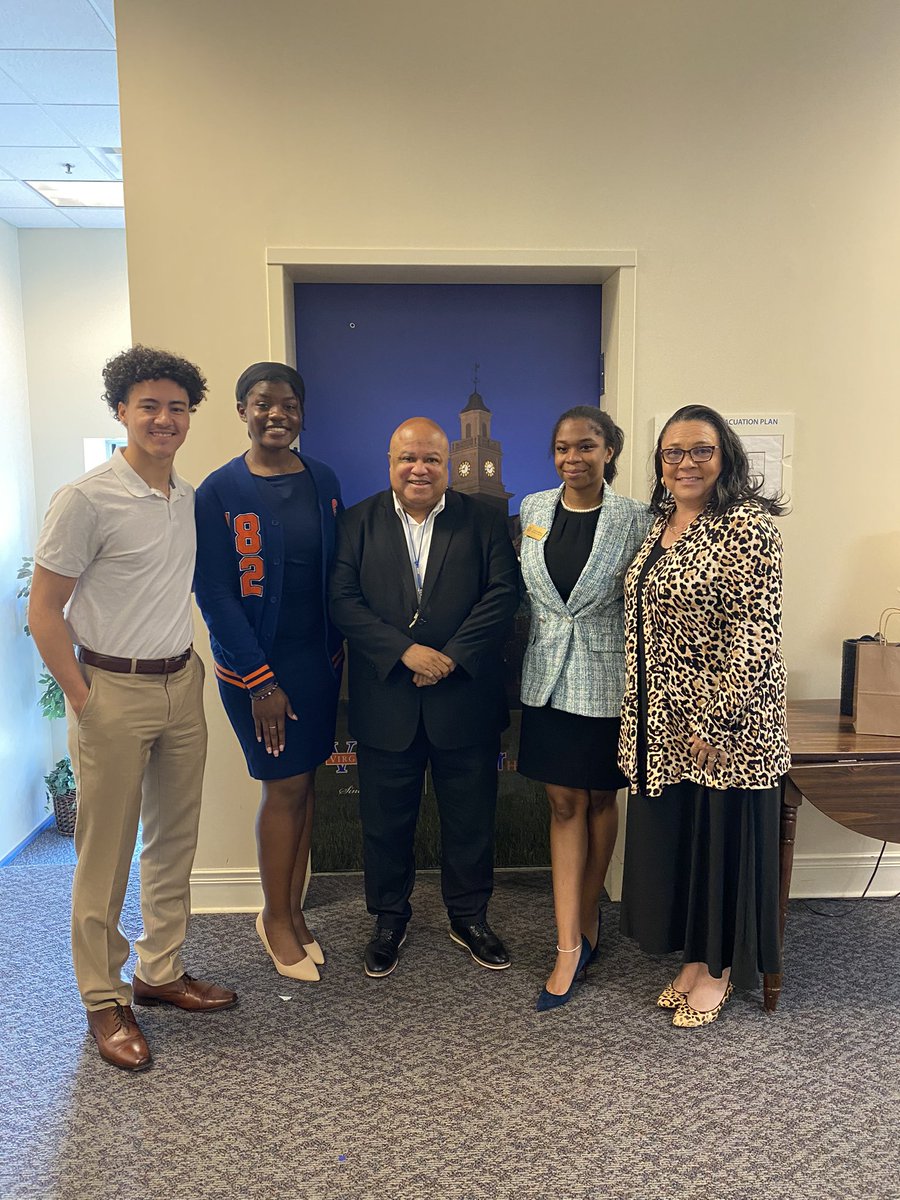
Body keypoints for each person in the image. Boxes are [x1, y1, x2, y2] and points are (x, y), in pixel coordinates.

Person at [29, 345, 237, 1074]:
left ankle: (158, 973)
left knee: (174, 839)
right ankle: (101, 997)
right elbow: (44, 612)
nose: (164, 419)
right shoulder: (85, 498)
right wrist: (85, 700)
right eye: (148, 405)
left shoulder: (185, 496)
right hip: (111, 690)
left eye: (177, 408)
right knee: (104, 853)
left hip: (181, 683)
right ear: (121, 411)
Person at [329, 417, 520, 977]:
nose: (419, 469)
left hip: (464, 697)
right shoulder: (357, 523)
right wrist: (405, 652)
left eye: (431, 459)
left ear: (447, 465)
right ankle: (389, 919)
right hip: (388, 699)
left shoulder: (482, 520)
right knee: (385, 823)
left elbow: (502, 595)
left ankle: (469, 917)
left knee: (471, 820)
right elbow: (342, 601)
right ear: (390, 462)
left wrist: (452, 656)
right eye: (407, 458)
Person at [619, 403, 790, 1027]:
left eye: (701, 450)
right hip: (663, 724)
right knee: (688, 840)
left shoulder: (745, 525)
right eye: (673, 452)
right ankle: (694, 958)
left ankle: (718, 969)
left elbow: (754, 633)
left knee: (721, 841)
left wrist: (711, 721)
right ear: (660, 462)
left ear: (725, 458)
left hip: (726, 726)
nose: (686, 463)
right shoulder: (661, 522)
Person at [193, 363, 344, 982]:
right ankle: (273, 918)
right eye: (262, 404)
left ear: (302, 412)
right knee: (282, 786)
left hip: (318, 662)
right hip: (256, 673)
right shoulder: (218, 492)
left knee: (306, 784)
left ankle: (294, 910)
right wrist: (259, 680)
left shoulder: (323, 478)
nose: (276, 414)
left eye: (289, 404)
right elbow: (215, 594)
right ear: (242, 411)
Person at [518, 406, 650, 1011]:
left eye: (587, 447)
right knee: (563, 802)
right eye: (563, 448)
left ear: (610, 451)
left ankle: (589, 914)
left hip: (608, 680)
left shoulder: (638, 518)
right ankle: (568, 943)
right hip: (547, 677)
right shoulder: (535, 511)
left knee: (601, 799)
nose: (574, 458)